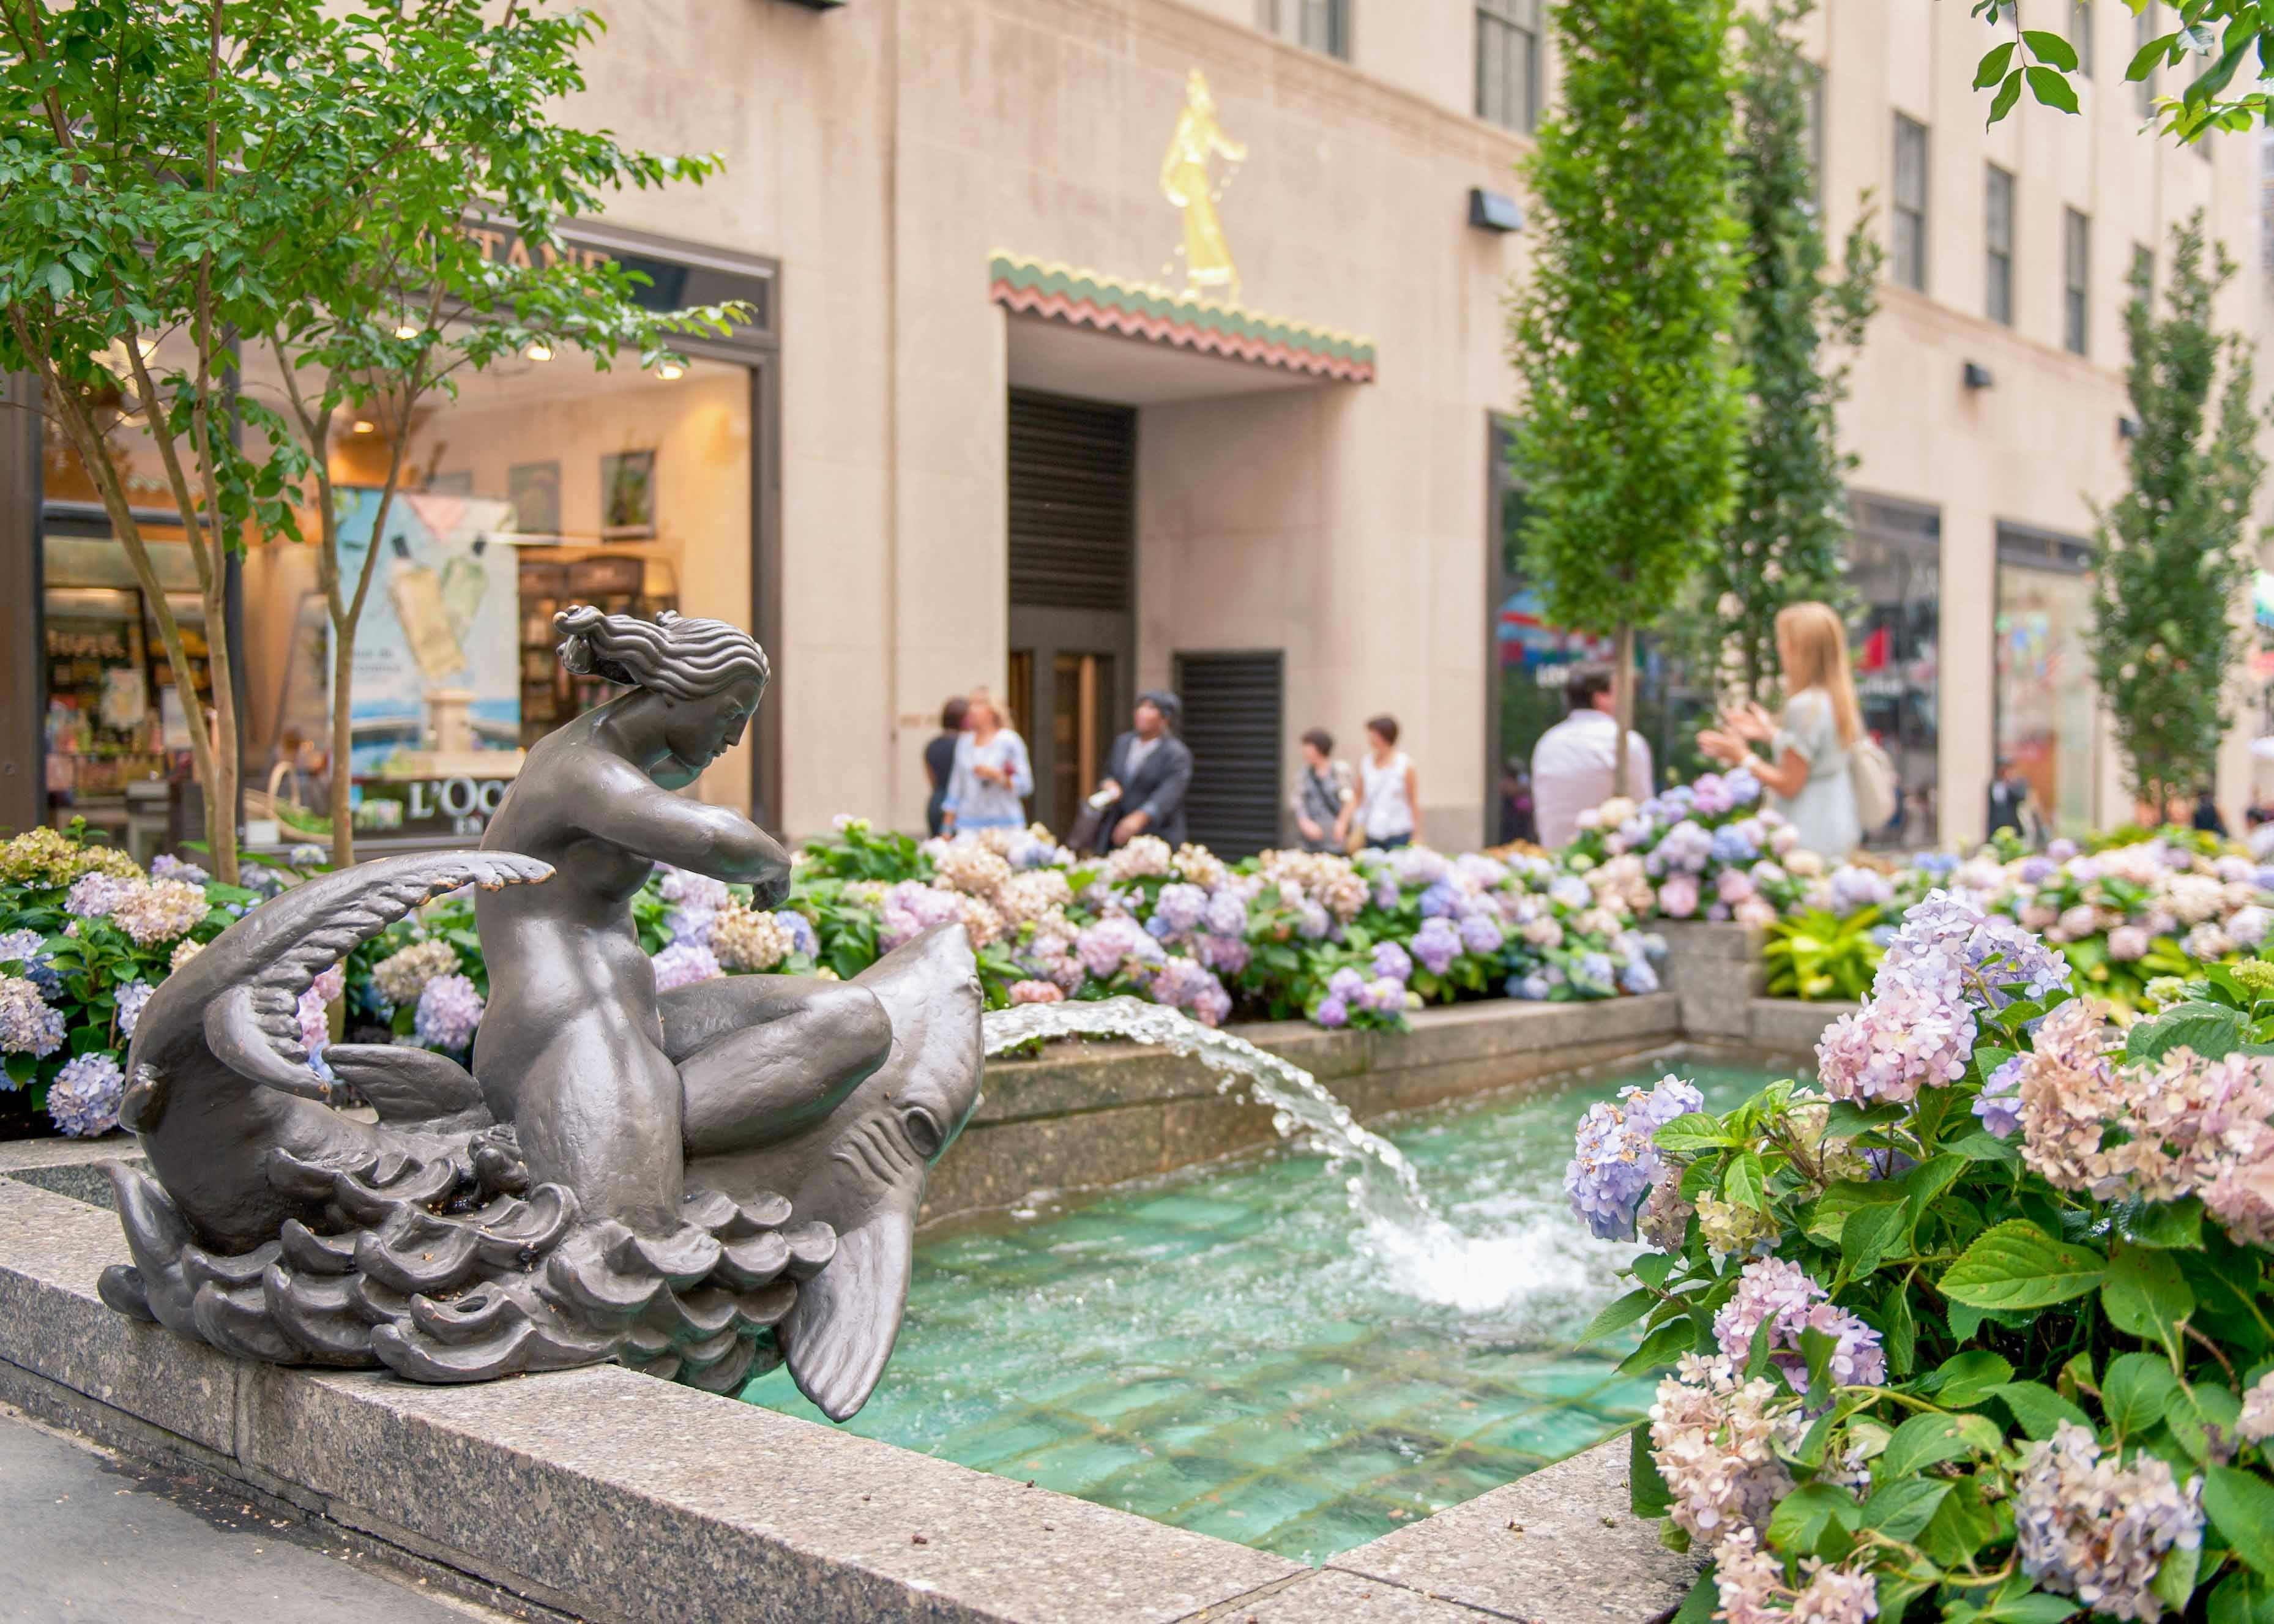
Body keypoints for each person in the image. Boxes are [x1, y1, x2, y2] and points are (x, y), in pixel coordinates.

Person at [475, 607, 892, 1229]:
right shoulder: (577, 769)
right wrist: (774, 861)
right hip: (560, 1028)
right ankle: (630, 1124)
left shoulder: (623, 761)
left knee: (853, 1020)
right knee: (623, 1226)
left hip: (634, 1015)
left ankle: (655, 1120)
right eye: (730, 715)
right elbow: (712, 839)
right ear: (675, 693)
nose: (734, 739)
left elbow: (677, 796)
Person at [1698, 600, 1863, 861]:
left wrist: (1742, 756)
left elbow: (1790, 784)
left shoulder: (1805, 706)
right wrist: (1771, 734)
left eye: (1784, 641)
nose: (1780, 648)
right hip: (1837, 823)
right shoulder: (1837, 699)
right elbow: (1817, 757)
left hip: (1806, 832)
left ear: (1801, 650)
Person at [1530, 668, 1653, 850]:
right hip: (1608, 860)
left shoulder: (1548, 741)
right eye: (1624, 692)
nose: (1631, 700)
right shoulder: (1624, 742)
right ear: (1601, 698)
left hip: (1552, 855)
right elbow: (1644, 809)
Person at [1099, 690, 1195, 847]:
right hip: (1117, 827)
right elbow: (1109, 773)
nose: (1141, 712)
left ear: (1165, 719)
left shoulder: (1176, 753)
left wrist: (1140, 817)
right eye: (1140, 707)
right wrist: (1109, 784)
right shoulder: (1123, 743)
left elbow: (1168, 793)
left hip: (1158, 834)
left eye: (1150, 708)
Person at [940, 690, 1032, 833]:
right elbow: (956, 787)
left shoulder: (1009, 740)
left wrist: (997, 776)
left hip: (1006, 826)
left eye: (979, 704)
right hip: (969, 827)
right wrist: (946, 829)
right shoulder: (964, 743)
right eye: (971, 704)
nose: (971, 709)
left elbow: (1026, 785)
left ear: (993, 710)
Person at [1349, 714, 1418, 849]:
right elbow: (1358, 796)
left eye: (1373, 733)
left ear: (1384, 735)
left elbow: (1413, 801)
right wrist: (1343, 822)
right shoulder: (1366, 763)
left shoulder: (1405, 764)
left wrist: (1417, 833)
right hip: (1372, 830)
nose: (1369, 737)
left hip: (1399, 830)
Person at [1291, 728, 1355, 853]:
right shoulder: (1304, 773)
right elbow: (1298, 802)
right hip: (1310, 837)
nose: (1304, 750)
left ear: (1318, 748)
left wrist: (1342, 824)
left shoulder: (1339, 771)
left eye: (1308, 746)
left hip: (1336, 835)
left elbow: (1349, 800)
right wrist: (1305, 823)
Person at [922, 696, 969, 838]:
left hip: (937, 801)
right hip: (960, 805)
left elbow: (932, 778)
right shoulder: (966, 746)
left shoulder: (932, 745)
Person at [1986, 759, 2033, 843]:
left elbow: (2021, 797)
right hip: (1996, 827)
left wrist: (2009, 783)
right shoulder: (1994, 784)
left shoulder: (2018, 783)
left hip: (2013, 825)